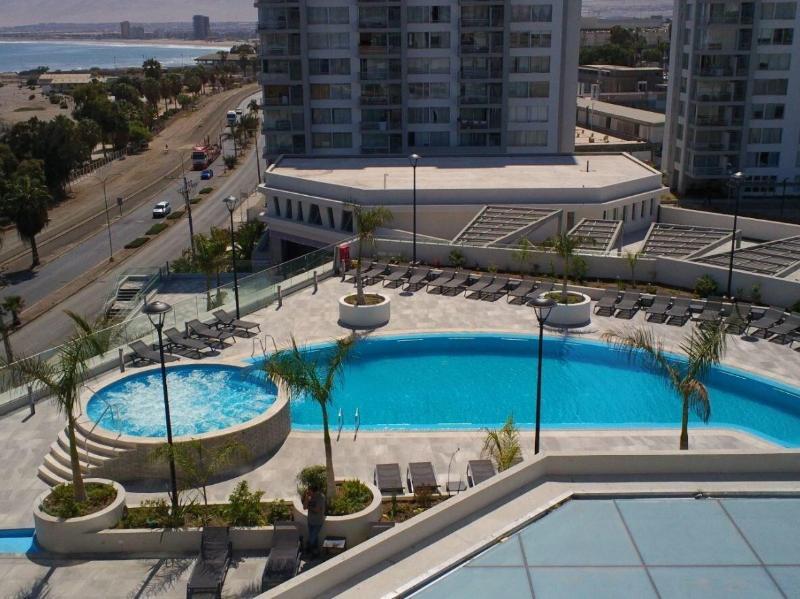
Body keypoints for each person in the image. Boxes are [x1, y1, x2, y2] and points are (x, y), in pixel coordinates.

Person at [304, 485, 326, 557]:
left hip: (317, 522)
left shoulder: (321, 497)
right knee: (314, 538)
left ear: (314, 491)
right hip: (310, 521)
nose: (308, 492)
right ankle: (315, 553)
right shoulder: (309, 497)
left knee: (312, 538)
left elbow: (317, 510)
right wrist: (306, 498)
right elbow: (304, 507)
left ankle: (308, 550)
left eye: (309, 491)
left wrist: (309, 507)